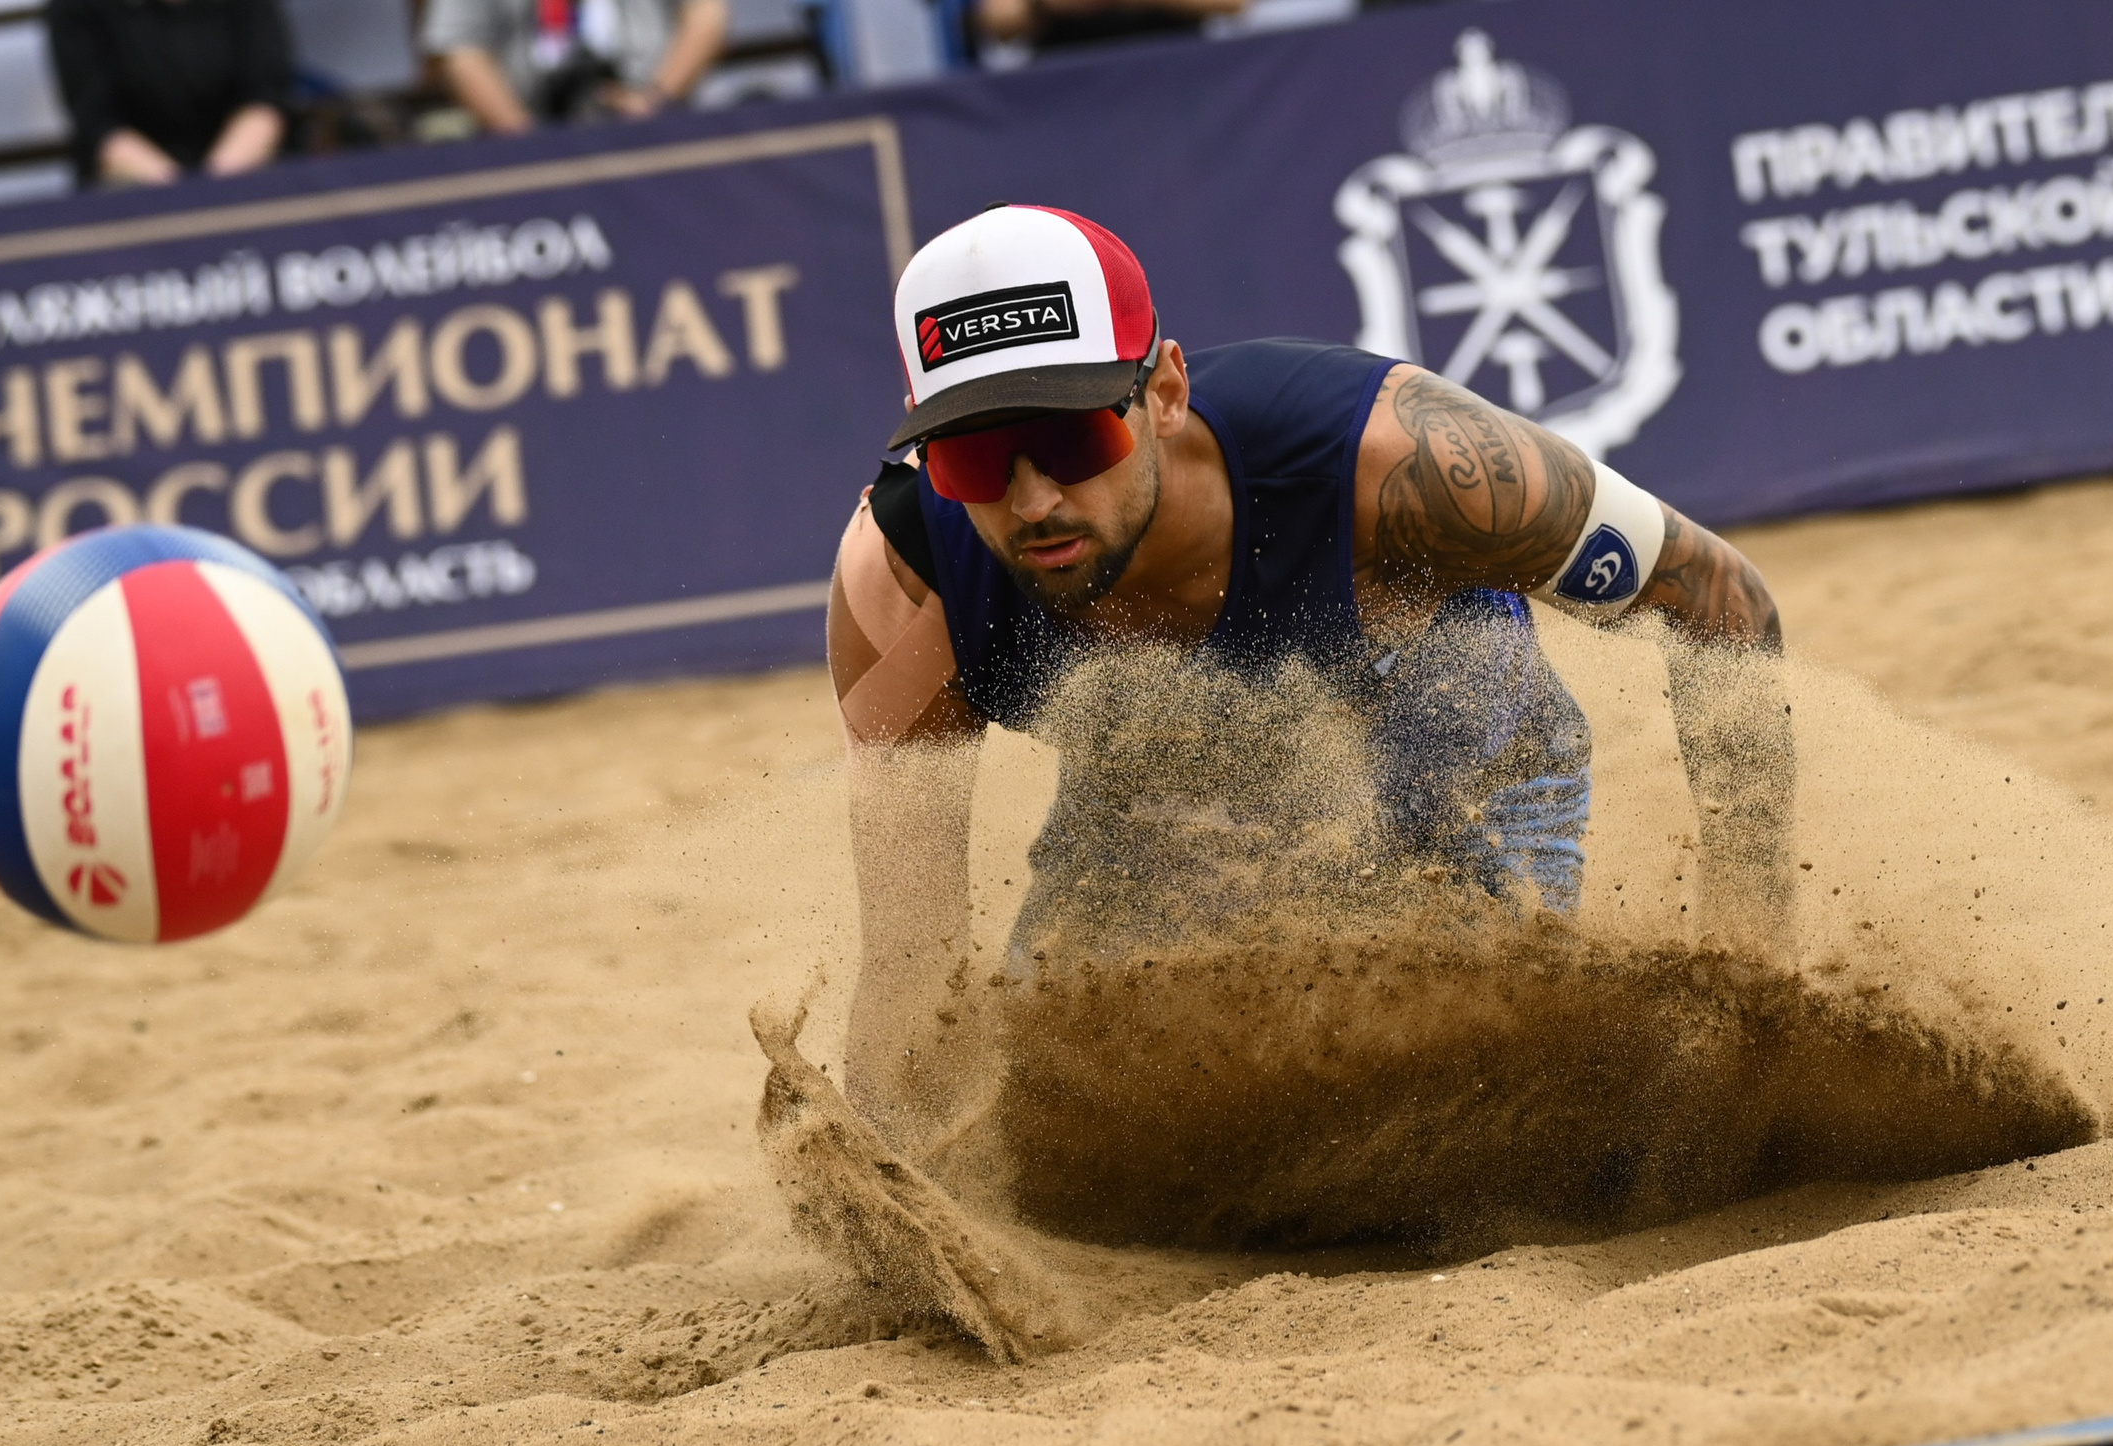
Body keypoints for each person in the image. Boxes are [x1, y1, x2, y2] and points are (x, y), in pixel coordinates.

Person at [830, 205, 1793, 1126]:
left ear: (1164, 392)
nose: (1032, 498)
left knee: (1464, 1117)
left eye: (1071, 436)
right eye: (973, 458)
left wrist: (1753, 956)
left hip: (1450, 756)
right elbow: (911, 955)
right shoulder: (907, 577)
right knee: (1069, 1123)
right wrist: (888, 1180)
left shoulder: (1393, 458)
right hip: (1152, 806)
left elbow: (1721, 599)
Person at [45, 0, 294, 188]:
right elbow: (98, 127)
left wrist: (213, 190)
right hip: (135, 183)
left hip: (243, 169)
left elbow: (265, 100)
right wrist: (179, 195)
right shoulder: (76, 7)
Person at [422, 0, 731, 134]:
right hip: (535, 130)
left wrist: (655, 100)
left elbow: (707, 14)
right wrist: (527, 137)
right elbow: (459, 51)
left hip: (657, 124)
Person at [969, 0, 1244, 55]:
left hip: (1174, 80)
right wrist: (1044, 5)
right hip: (1069, 92)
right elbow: (996, 21)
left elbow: (1234, 4)